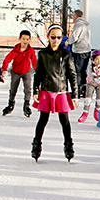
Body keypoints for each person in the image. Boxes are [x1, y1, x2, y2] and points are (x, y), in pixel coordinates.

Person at [31, 24, 78, 161]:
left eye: (59, 37)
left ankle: (68, 145)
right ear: (48, 37)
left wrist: (75, 95)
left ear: (62, 38)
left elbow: (72, 75)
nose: (56, 40)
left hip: (61, 92)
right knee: (43, 119)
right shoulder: (43, 54)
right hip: (46, 91)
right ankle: (36, 145)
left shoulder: (66, 55)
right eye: (53, 37)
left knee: (64, 120)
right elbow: (38, 74)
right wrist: (35, 90)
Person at [1, 29, 37, 117]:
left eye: (27, 39)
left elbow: (34, 61)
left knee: (28, 88)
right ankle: (10, 104)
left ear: (30, 40)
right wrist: (3, 69)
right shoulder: (15, 51)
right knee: (13, 88)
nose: (25, 41)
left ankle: (26, 105)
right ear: (19, 39)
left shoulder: (30, 51)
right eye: (23, 39)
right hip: (16, 72)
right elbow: (7, 59)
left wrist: (38, 71)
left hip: (26, 71)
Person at [69, 9, 92, 97]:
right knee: (83, 71)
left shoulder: (78, 25)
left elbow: (74, 37)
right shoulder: (86, 25)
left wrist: (68, 42)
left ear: (76, 15)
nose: (72, 17)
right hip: (86, 50)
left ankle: (77, 91)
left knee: (77, 71)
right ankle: (84, 90)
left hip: (79, 50)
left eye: (72, 15)